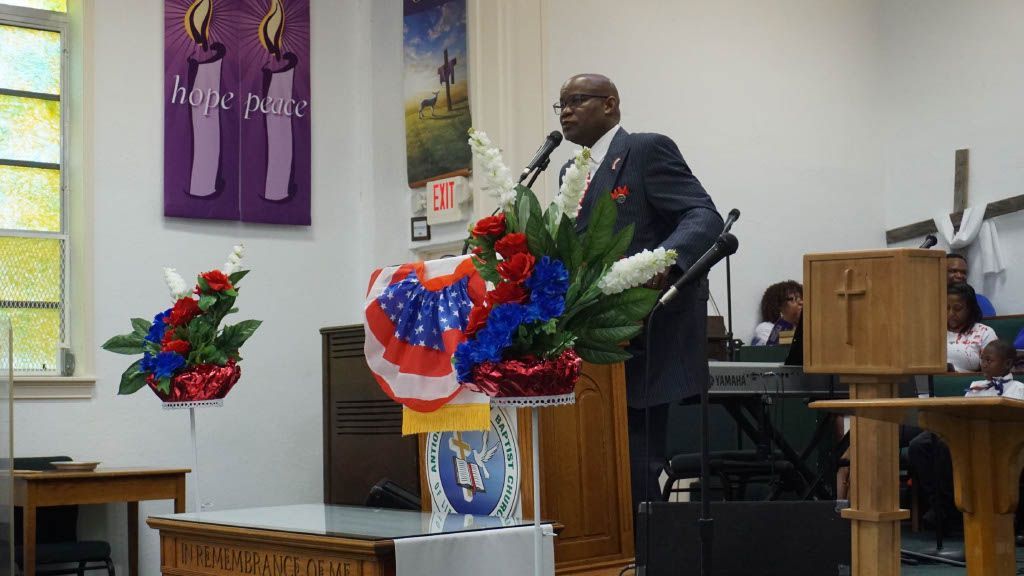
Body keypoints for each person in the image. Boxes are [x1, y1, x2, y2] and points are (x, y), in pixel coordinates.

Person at [556, 73, 724, 511]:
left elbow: (703, 216)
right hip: (591, 344)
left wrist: (660, 263)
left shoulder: (645, 150)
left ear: (609, 105)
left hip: (646, 337)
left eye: (576, 100)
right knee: (596, 469)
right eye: (561, 105)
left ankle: (648, 559)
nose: (566, 112)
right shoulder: (567, 173)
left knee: (637, 467)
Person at [909, 340, 1023, 527]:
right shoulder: (976, 385)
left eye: (989, 360)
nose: (984, 364)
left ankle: (952, 508)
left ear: (1008, 364)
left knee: (947, 447)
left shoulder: (1018, 390)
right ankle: (940, 504)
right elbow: (962, 413)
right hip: (965, 434)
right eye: (982, 359)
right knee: (920, 445)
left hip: (997, 441)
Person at [946, 283, 998, 372]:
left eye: (957, 309)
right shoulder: (934, 331)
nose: (950, 313)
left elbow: (992, 371)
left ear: (970, 309)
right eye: (947, 308)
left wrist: (954, 370)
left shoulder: (984, 332)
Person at [751, 281, 802, 346]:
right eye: (794, 299)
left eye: (801, 298)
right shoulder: (765, 328)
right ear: (779, 306)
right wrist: (787, 319)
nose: (801, 302)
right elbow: (773, 351)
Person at [946, 253, 996, 317]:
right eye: (953, 271)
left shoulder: (980, 302)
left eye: (963, 272)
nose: (959, 276)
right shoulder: (932, 301)